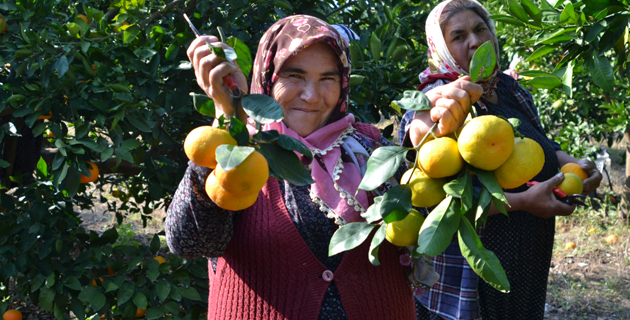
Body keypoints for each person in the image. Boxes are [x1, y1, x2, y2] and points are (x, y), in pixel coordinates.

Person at [166, 15, 479, 319]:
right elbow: (190, 241)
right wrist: (225, 115)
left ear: (342, 82)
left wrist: (437, 138)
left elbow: (435, 223)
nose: (311, 96)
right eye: (294, 76)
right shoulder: (238, 151)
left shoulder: (372, 151)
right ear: (267, 76)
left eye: (327, 78)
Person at [398, 1, 603, 319]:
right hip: (473, 266)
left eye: (481, 29)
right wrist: (522, 202)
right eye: (459, 35)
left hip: (527, 248)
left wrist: (578, 164)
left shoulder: (509, 89)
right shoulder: (441, 99)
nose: (476, 41)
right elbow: (440, 190)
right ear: (442, 48)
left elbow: (542, 144)